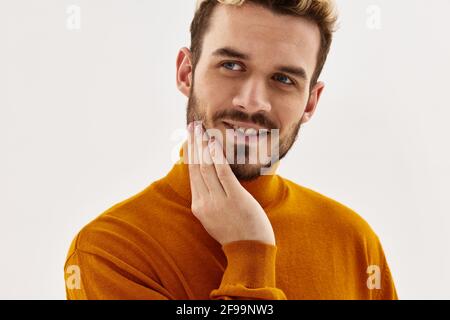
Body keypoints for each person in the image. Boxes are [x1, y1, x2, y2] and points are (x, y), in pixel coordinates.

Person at [64, 0, 398, 300]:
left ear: (310, 102)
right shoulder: (110, 251)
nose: (252, 102)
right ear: (186, 72)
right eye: (232, 65)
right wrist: (250, 251)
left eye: (283, 79)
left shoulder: (354, 241)